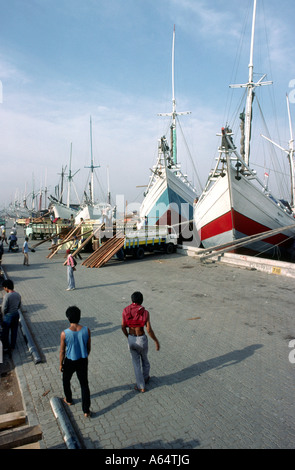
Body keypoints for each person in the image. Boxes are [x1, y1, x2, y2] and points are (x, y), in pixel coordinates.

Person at [121, 291, 160, 393]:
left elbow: (123, 327)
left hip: (131, 337)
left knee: (136, 364)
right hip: (142, 338)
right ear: (141, 301)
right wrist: (156, 341)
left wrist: (128, 337)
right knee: (145, 360)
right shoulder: (145, 313)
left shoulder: (125, 311)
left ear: (132, 300)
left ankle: (141, 386)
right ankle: (146, 377)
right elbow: (149, 330)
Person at [59, 306, 91, 417]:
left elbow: (62, 351)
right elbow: (88, 347)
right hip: (82, 360)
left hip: (70, 361)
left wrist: (60, 364)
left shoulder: (64, 333)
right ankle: (86, 410)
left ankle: (69, 399)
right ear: (79, 317)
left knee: (66, 380)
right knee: (84, 384)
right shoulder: (86, 330)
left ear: (68, 318)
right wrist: (84, 355)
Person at [1, 279, 21, 354]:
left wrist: (4, 315)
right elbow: (19, 305)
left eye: (4, 287)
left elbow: (4, 308)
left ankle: (6, 347)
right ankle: (13, 346)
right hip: (16, 314)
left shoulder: (7, 296)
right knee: (14, 331)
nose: (4, 289)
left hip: (8, 316)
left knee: (5, 332)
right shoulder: (18, 294)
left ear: (6, 287)